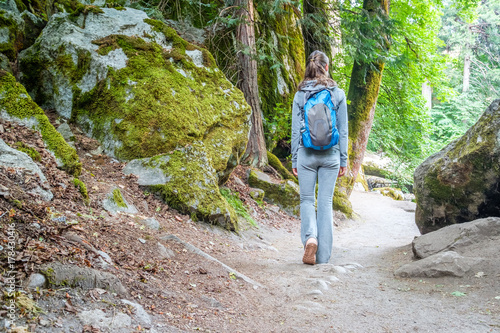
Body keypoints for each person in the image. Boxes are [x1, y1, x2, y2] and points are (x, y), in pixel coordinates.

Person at [291, 50, 348, 265]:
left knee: (306, 199)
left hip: (306, 154)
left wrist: (295, 160)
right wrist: (343, 160)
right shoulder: (337, 93)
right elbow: (343, 131)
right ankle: (323, 258)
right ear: (326, 67)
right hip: (331, 155)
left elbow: (296, 131)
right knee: (325, 202)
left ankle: (310, 238)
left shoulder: (300, 94)